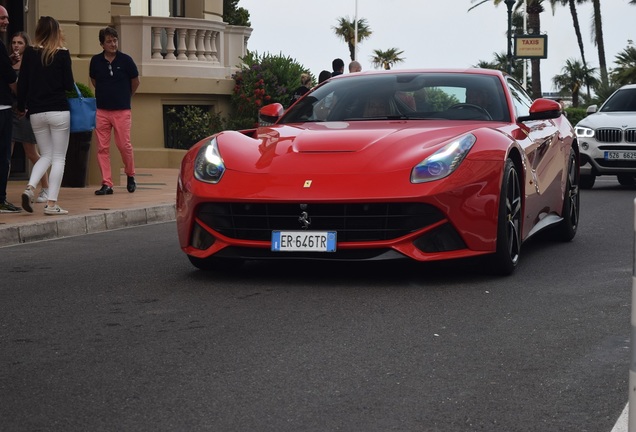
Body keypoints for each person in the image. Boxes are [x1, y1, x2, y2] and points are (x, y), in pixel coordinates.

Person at [17, 16, 74, 215]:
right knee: (58, 158)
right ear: (57, 32)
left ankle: (30, 187)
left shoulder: (30, 53)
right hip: (58, 110)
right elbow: (68, 84)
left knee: (46, 155)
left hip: (36, 112)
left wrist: (21, 106)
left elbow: (22, 83)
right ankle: (51, 204)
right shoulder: (62, 54)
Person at [89, 26, 140, 196]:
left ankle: (130, 175)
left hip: (122, 110)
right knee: (102, 148)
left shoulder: (126, 60)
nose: (113, 44)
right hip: (102, 110)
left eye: (115, 40)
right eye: (109, 41)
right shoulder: (95, 61)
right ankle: (107, 183)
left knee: (124, 145)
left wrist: (126, 96)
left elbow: (135, 82)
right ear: (102, 44)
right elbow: (94, 80)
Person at [11, 31, 49, 204]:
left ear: (26, 45)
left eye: (20, 43)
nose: (16, 46)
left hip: (25, 112)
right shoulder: (8, 62)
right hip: (10, 111)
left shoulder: (31, 64)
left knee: (31, 152)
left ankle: (46, 188)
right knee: (6, 153)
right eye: (14, 42)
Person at [0, 6, 20, 213]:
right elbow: (9, 77)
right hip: (3, 108)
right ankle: (1, 198)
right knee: (4, 155)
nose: (6, 21)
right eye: (2, 18)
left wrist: (7, 61)